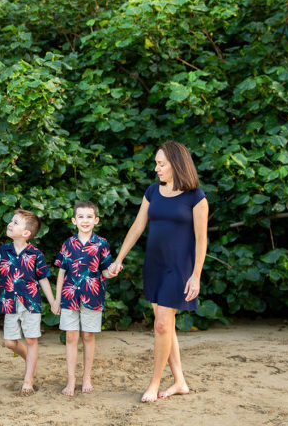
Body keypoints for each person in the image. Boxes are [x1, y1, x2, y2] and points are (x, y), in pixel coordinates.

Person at [108, 141, 209, 402]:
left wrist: (196, 274)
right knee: (167, 327)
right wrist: (119, 259)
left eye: (161, 164)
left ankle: (154, 383)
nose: (156, 168)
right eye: (156, 163)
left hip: (180, 267)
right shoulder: (153, 191)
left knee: (162, 324)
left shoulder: (196, 197)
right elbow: (138, 226)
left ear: (176, 164)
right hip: (155, 264)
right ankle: (180, 382)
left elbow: (201, 239)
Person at [0, 209, 55, 394]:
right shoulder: (2, 251)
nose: (10, 223)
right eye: (11, 220)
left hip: (31, 303)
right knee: (9, 342)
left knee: (31, 339)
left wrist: (53, 302)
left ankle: (28, 379)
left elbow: (43, 279)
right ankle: (29, 360)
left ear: (26, 233)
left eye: (16, 222)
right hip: (9, 302)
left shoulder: (35, 254)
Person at [52, 200, 113, 397]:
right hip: (69, 296)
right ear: (74, 220)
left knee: (88, 336)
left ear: (96, 220)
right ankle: (71, 379)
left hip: (93, 297)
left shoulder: (101, 243)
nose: (85, 220)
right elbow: (61, 272)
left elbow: (105, 269)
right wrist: (56, 299)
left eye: (89, 217)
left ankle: (86, 377)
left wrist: (112, 272)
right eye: (81, 217)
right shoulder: (68, 244)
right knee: (71, 337)